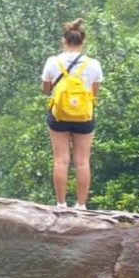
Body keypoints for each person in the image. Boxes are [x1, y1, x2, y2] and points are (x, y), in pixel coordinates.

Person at [41, 18, 103, 210]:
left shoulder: (53, 62)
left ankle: (61, 204)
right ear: (83, 42)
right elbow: (94, 92)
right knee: (82, 161)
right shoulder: (93, 64)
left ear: (64, 41)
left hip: (59, 115)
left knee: (61, 159)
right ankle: (81, 205)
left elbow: (46, 89)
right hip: (84, 116)